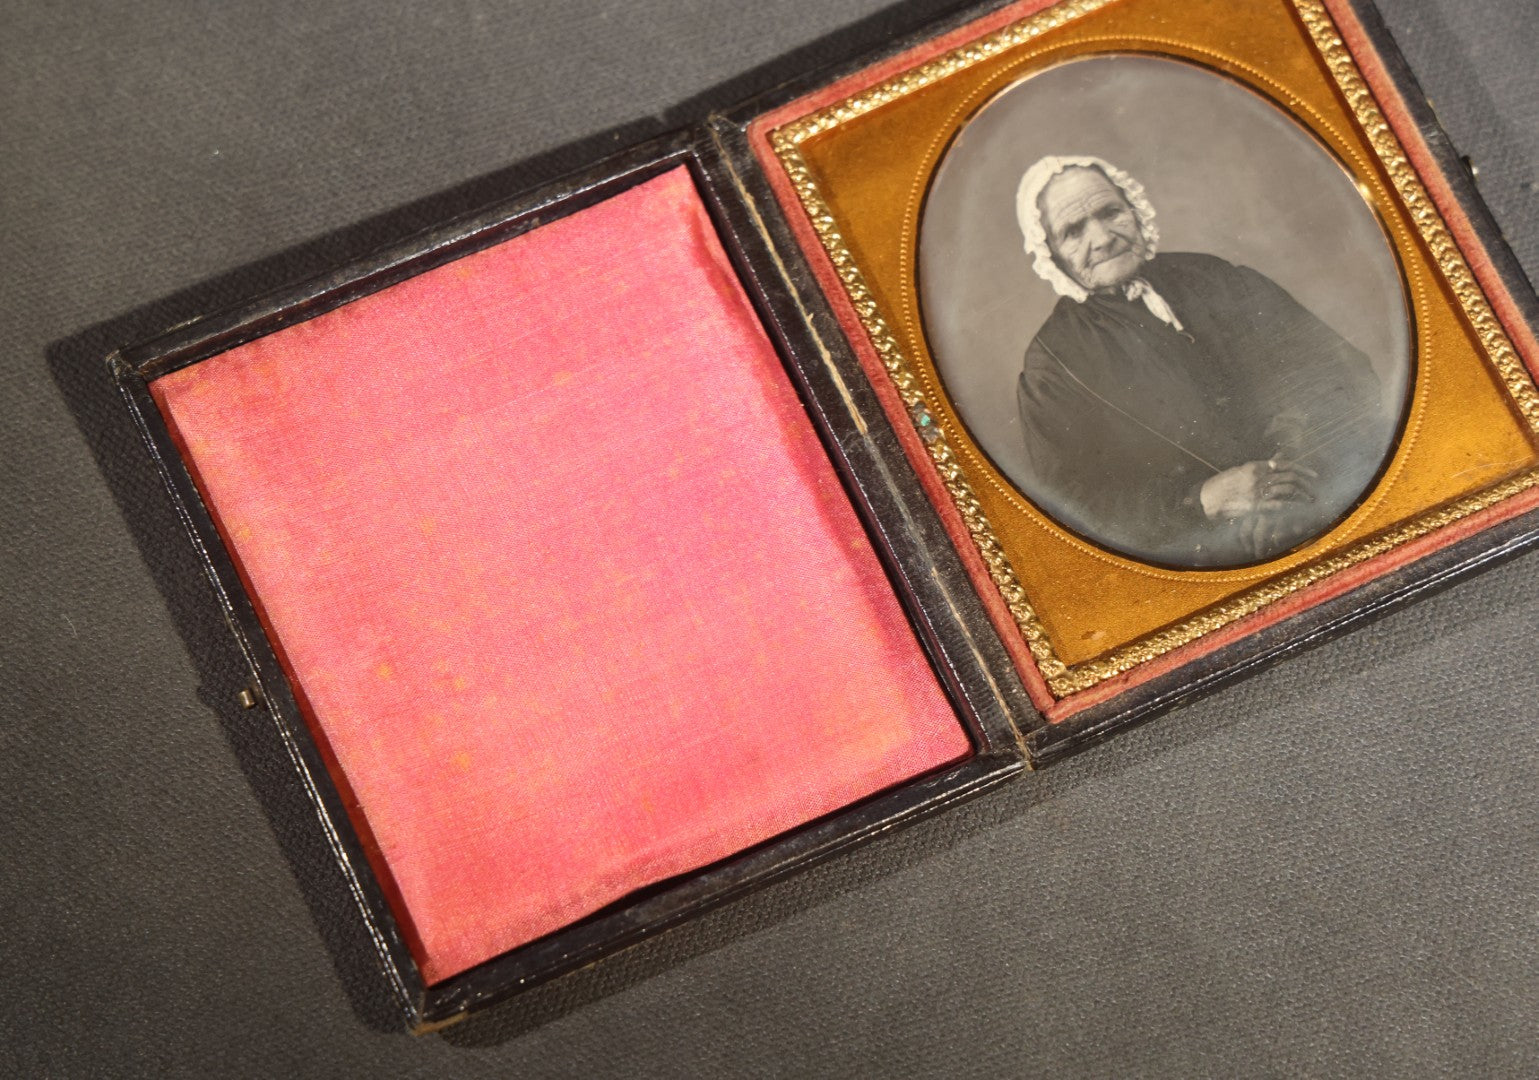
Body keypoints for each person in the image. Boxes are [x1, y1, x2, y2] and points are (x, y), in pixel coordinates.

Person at [1014, 154, 1387, 567]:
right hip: (1198, 553)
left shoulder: (1215, 276)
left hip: (1319, 488)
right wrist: (1205, 501)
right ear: (1050, 252)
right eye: (1073, 231)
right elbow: (1079, 506)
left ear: (1134, 209)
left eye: (1110, 212)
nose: (1102, 238)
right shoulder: (1054, 364)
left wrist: (1290, 469)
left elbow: (1333, 368)